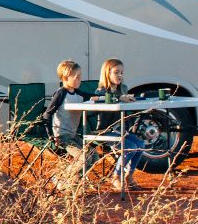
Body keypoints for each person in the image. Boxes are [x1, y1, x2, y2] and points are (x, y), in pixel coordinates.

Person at [96, 57, 147, 192]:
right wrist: (119, 99)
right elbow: (100, 101)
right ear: (107, 73)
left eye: (122, 73)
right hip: (104, 131)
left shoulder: (123, 88)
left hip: (121, 129)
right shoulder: (101, 91)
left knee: (140, 145)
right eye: (116, 72)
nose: (119, 76)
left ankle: (128, 176)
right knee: (129, 146)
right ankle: (115, 176)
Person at [41, 59, 87, 154]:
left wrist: (117, 97)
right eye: (77, 77)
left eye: (80, 77)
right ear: (66, 78)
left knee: (93, 155)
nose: (80, 80)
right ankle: (69, 170)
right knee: (82, 158)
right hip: (62, 136)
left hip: (73, 135)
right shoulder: (61, 93)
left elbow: (93, 96)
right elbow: (47, 114)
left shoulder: (78, 93)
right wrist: (51, 136)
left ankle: (80, 169)